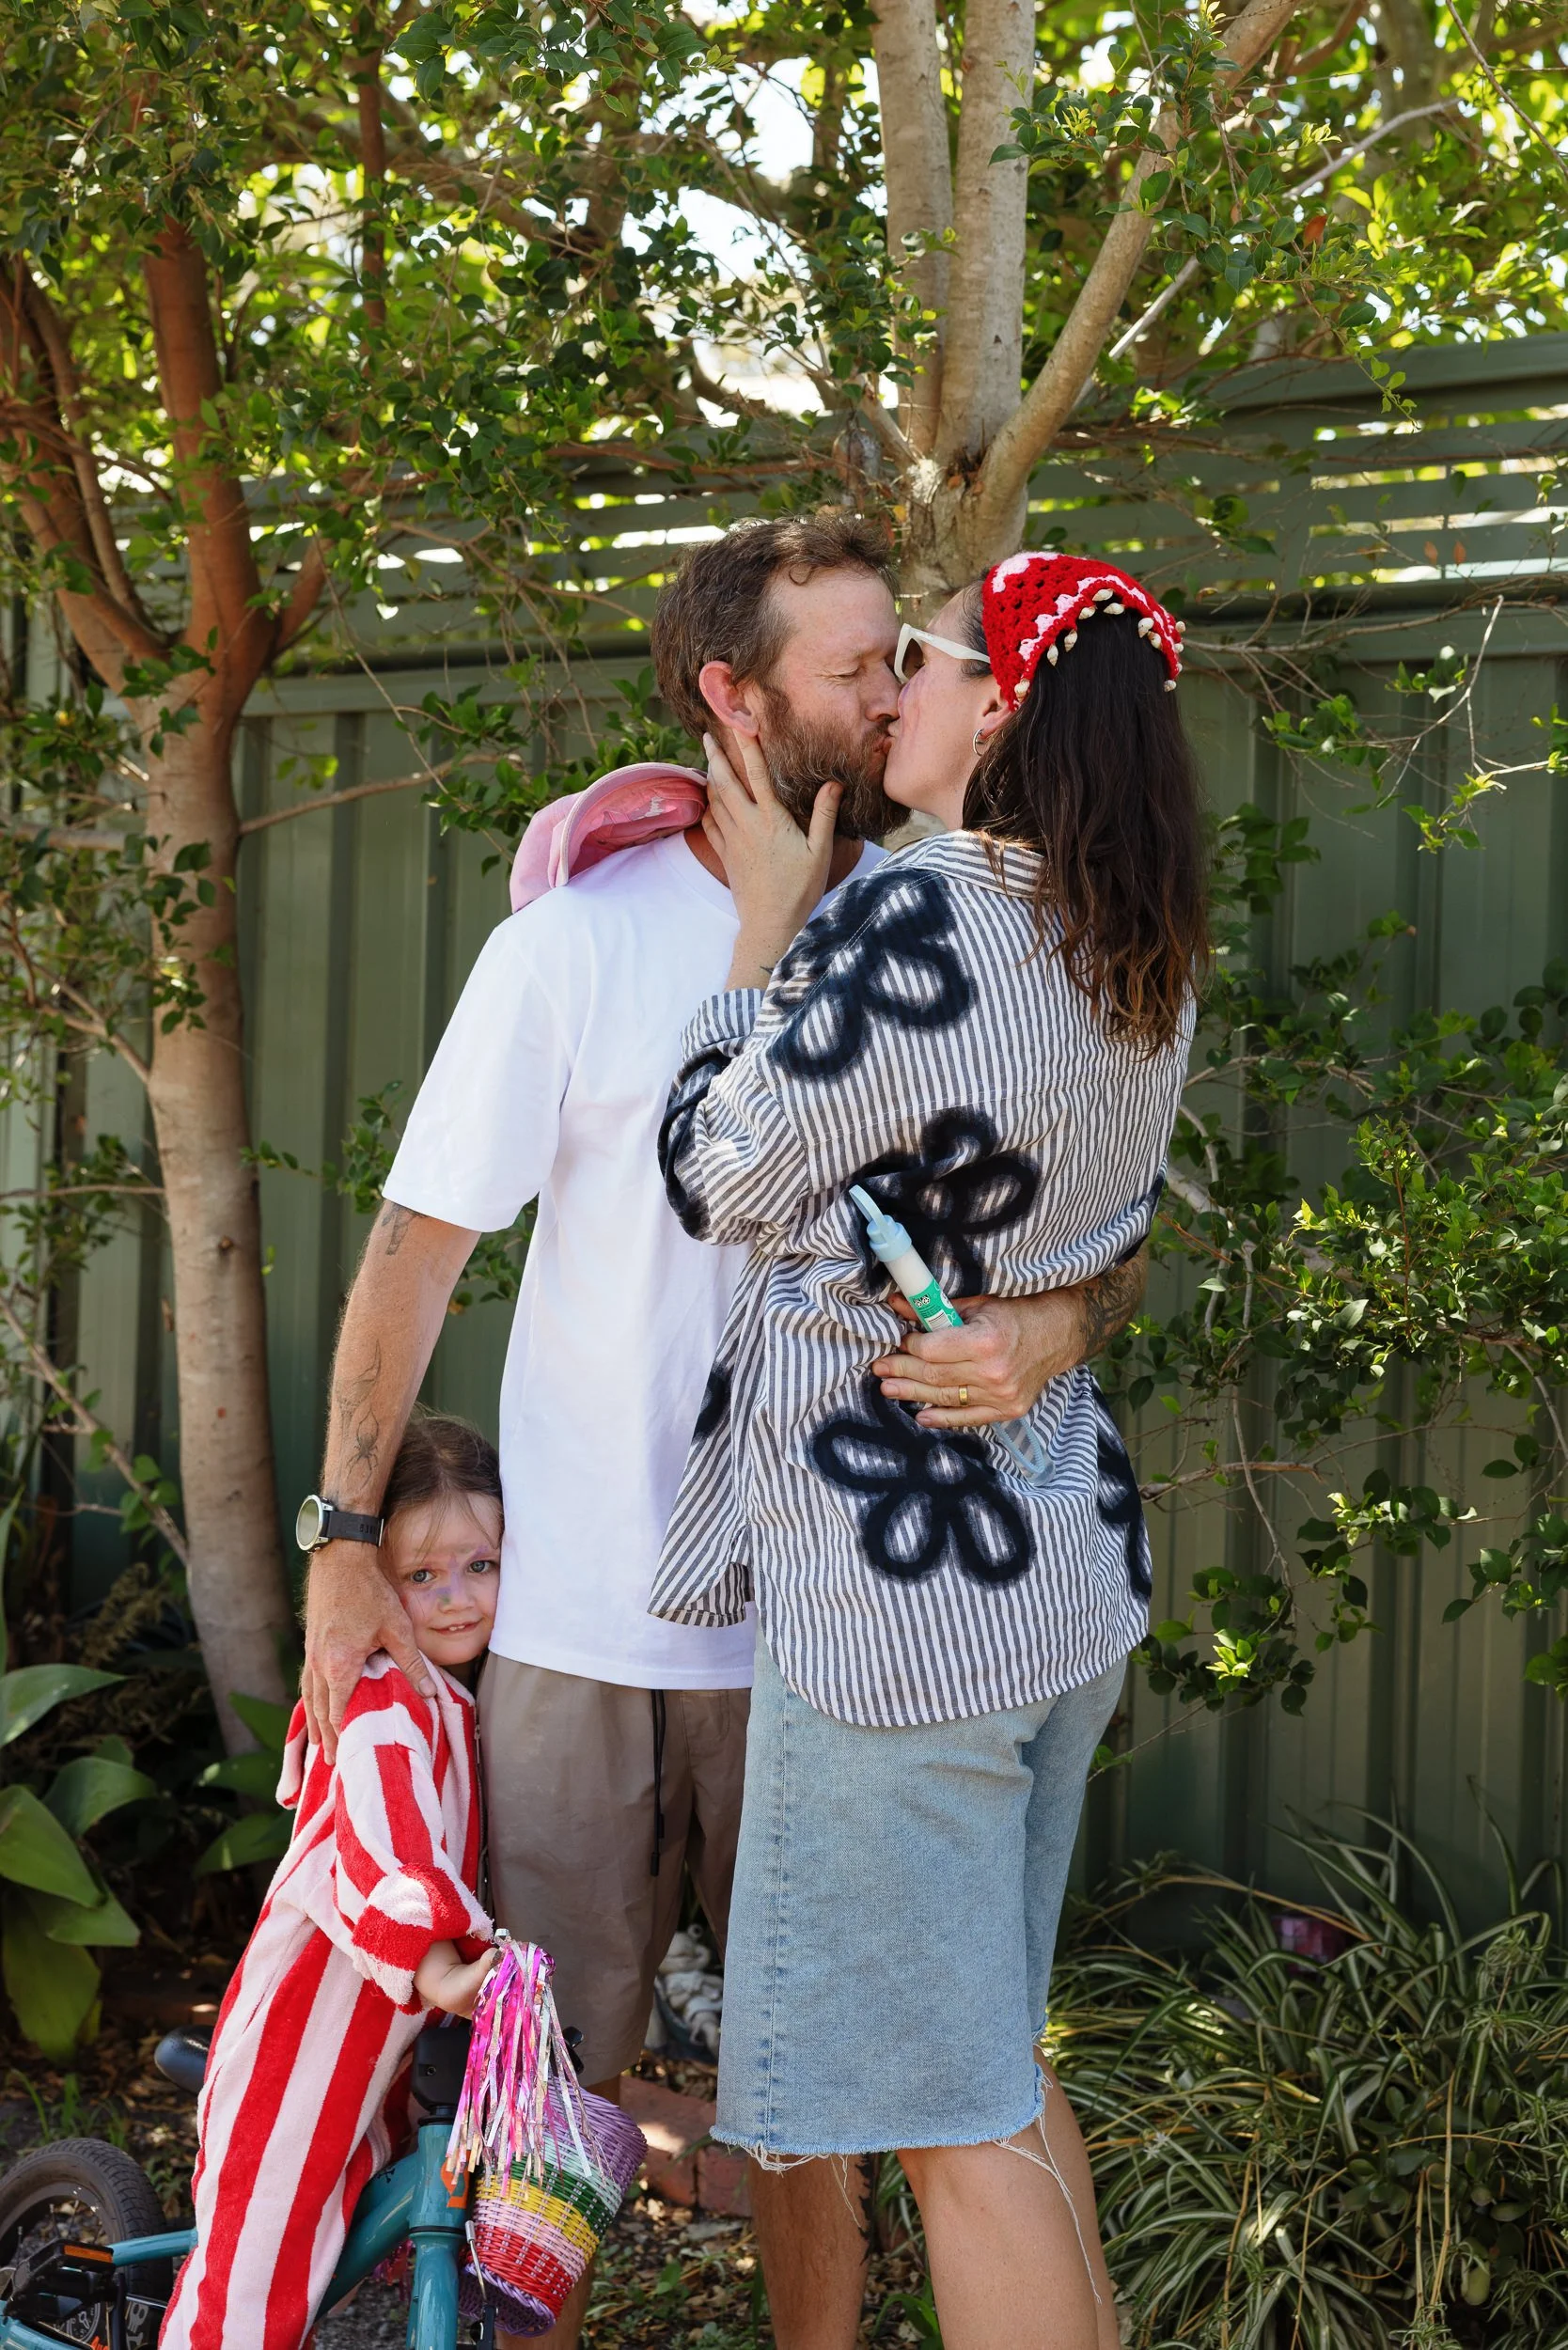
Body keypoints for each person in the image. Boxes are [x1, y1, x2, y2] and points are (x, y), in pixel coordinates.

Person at [298, 515, 1147, 2350]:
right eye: (857, 664)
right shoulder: (573, 949)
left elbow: (1084, 1214)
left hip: (837, 1631)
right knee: (544, 2092)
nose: (889, 689)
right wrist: (337, 1530)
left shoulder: (956, 921)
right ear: (731, 694)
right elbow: (410, 1255)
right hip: (587, 1628)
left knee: (829, 2109)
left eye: (903, 660)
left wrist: (1065, 1315)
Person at [650, 552, 1207, 2350]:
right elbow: (1081, 1234)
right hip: (1046, 1562)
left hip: (899, 1609)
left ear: (1004, 706)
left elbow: (716, 1174)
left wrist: (753, 941)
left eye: (926, 661)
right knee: (987, 2065)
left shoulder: (920, 918)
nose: (896, 690)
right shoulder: (1131, 933)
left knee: (949, 2119)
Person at [162, 1415, 501, 2350]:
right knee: (251, 2293)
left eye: (480, 1565)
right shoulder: (386, 1698)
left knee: (377, 2240)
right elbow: (387, 1845)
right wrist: (437, 1967)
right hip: (304, 2039)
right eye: (421, 1576)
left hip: (388, 2048)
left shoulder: (470, 1696)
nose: (457, 1598)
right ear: (374, 1585)